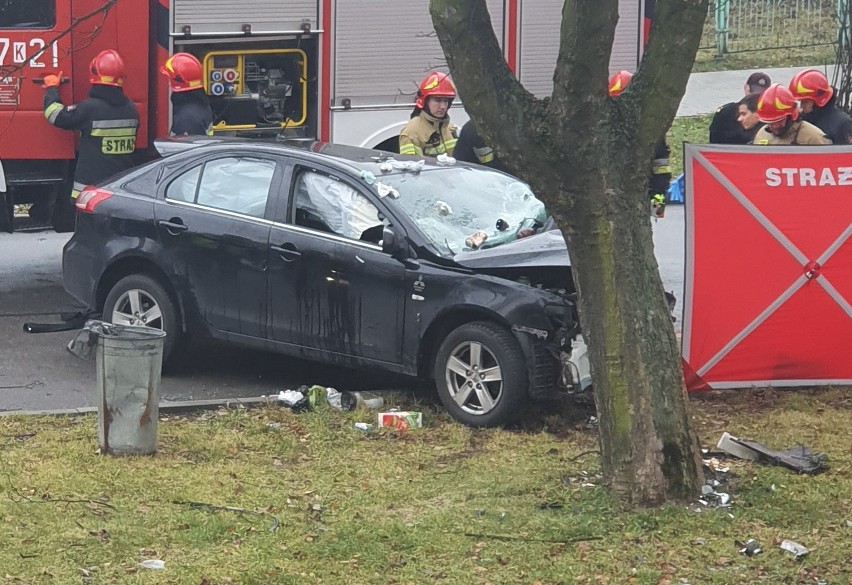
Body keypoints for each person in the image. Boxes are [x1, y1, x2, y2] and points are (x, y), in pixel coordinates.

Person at [43, 49, 140, 232]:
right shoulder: (130, 109)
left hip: (91, 192)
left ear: (95, 74)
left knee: (90, 236)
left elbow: (56, 116)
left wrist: (52, 89)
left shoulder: (90, 109)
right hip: (119, 188)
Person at [608, 70, 670, 218]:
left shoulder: (651, 128)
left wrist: (658, 204)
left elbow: (661, 166)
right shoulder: (605, 125)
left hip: (641, 195)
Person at [399, 72, 458, 157]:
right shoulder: (411, 133)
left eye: (445, 101)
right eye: (437, 100)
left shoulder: (449, 128)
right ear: (425, 101)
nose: (443, 106)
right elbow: (413, 167)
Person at [788, 68, 852, 146]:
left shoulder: (843, 124)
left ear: (819, 99)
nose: (801, 106)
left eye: (805, 101)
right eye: (800, 101)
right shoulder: (802, 120)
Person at [752, 84, 831, 145]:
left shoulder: (813, 137)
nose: (774, 126)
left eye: (779, 121)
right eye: (770, 122)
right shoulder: (762, 135)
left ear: (792, 116)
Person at [160, 52, 214, 136]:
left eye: (170, 79)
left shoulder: (187, 118)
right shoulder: (199, 105)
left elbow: (185, 148)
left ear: (178, 82)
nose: (168, 83)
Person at [708, 71, 771, 144]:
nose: (755, 98)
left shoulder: (771, 117)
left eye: (760, 95)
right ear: (746, 88)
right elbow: (714, 143)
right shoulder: (726, 113)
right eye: (753, 93)